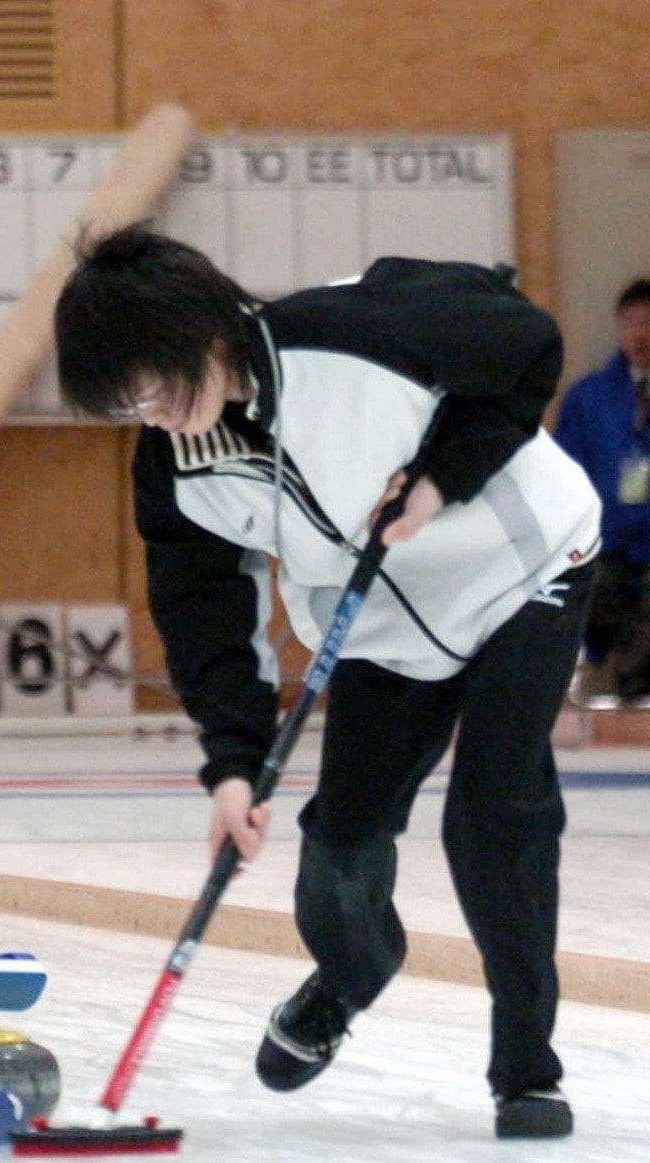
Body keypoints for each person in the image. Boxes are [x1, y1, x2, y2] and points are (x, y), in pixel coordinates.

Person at [52, 226, 600, 1141]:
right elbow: (205, 620)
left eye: (158, 387)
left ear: (204, 329)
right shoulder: (176, 466)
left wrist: (441, 478)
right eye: (131, 403)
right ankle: (352, 972)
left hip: (524, 571)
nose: (155, 416)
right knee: (339, 855)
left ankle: (526, 1068)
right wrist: (233, 766)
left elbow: (526, 344)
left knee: (494, 810)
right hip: (386, 625)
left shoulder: (354, 333)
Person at [553, 278, 650, 703]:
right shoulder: (589, 398)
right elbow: (562, 471)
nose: (640, 334)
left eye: (648, 322)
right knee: (588, 594)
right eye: (631, 322)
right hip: (602, 539)